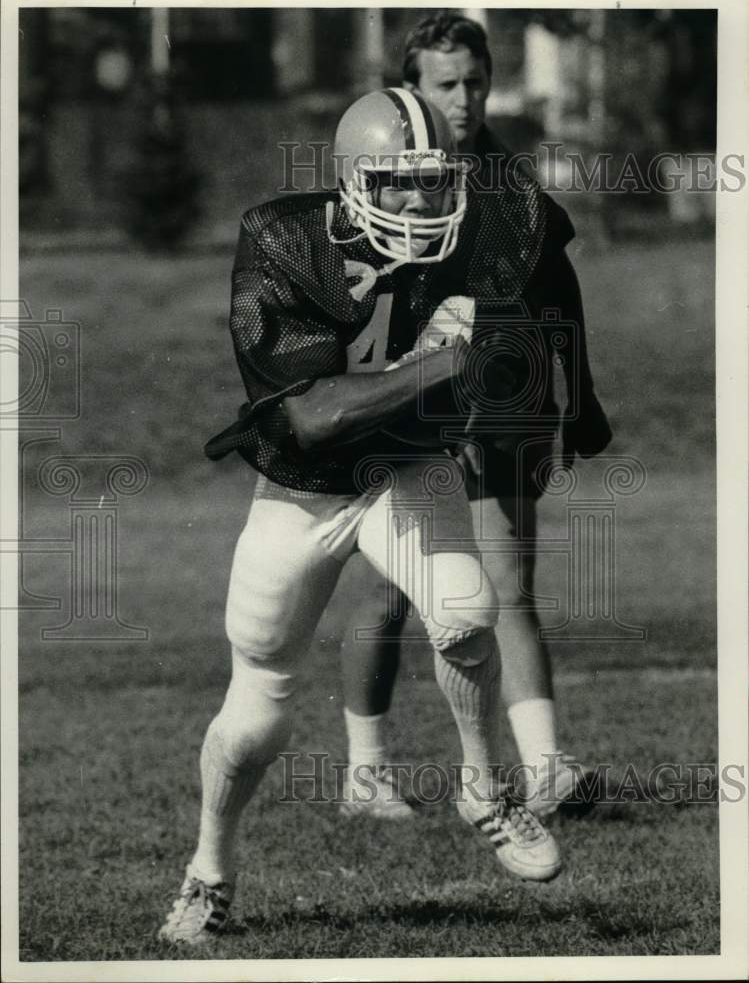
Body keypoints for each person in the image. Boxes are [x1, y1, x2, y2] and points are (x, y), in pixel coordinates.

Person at [159, 87, 564, 947]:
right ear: (351, 183)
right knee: (258, 702)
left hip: (405, 466)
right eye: (394, 182)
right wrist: (449, 363)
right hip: (302, 485)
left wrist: (509, 364)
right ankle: (209, 868)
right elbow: (313, 415)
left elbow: (527, 308)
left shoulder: (484, 228)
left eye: (434, 179)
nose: (419, 201)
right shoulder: (284, 238)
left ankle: (483, 789)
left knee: (464, 611)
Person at [338, 12, 612, 820]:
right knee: (393, 593)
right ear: (409, 87)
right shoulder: (379, 176)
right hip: (407, 403)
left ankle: (545, 769)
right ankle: (364, 773)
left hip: (503, 403)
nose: (462, 99)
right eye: (445, 84)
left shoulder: (509, 182)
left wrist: (578, 397)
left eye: (475, 82)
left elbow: (558, 291)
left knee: (507, 585)